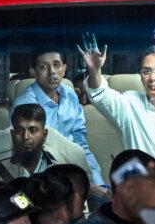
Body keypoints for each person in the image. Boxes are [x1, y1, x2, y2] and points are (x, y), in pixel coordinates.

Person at [12, 46, 106, 189]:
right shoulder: (25, 104)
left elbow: (80, 140)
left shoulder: (70, 95)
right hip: (44, 176)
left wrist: (96, 178)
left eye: (56, 65)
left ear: (64, 68)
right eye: (44, 67)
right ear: (34, 72)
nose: (52, 72)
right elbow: (30, 156)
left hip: (75, 167)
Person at [0, 104, 93, 183]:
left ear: (45, 134)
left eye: (33, 130)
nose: (26, 137)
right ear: (13, 135)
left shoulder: (62, 176)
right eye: (20, 131)